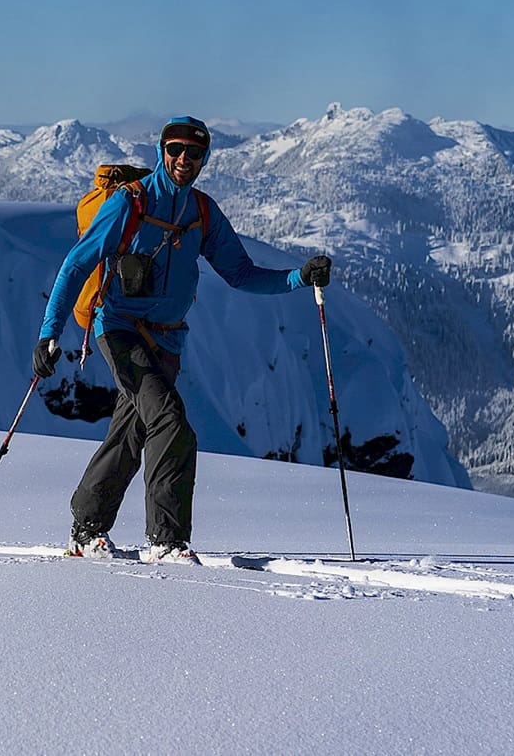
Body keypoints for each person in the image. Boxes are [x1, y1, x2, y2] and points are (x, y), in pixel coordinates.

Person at [34, 115, 332, 563]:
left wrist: (298, 278)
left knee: (130, 433)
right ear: (161, 151)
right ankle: (167, 541)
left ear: (204, 158)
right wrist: (48, 334)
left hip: (168, 341)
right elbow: (77, 265)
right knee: (170, 420)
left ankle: (86, 529)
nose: (183, 159)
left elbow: (241, 274)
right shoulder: (129, 204)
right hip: (117, 329)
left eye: (193, 153)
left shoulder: (202, 213)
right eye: (175, 150)